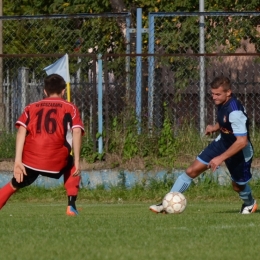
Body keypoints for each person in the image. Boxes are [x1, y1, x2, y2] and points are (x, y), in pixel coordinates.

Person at [150, 76, 257, 214]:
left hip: (240, 151)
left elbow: (242, 141)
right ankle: (166, 203)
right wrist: (215, 127)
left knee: (237, 186)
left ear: (228, 92)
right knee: (191, 171)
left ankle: (250, 203)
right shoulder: (222, 103)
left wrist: (220, 158)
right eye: (212, 93)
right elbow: (226, 121)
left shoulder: (235, 111)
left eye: (217, 94)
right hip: (222, 142)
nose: (214, 97)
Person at [0, 74, 84, 216]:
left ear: (45, 91)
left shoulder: (30, 107)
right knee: (71, 165)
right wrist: (77, 161)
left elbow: (21, 132)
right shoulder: (70, 108)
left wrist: (18, 161)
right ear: (63, 91)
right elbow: (76, 131)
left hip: (31, 160)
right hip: (56, 160)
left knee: (15, 183)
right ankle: (71, 206)